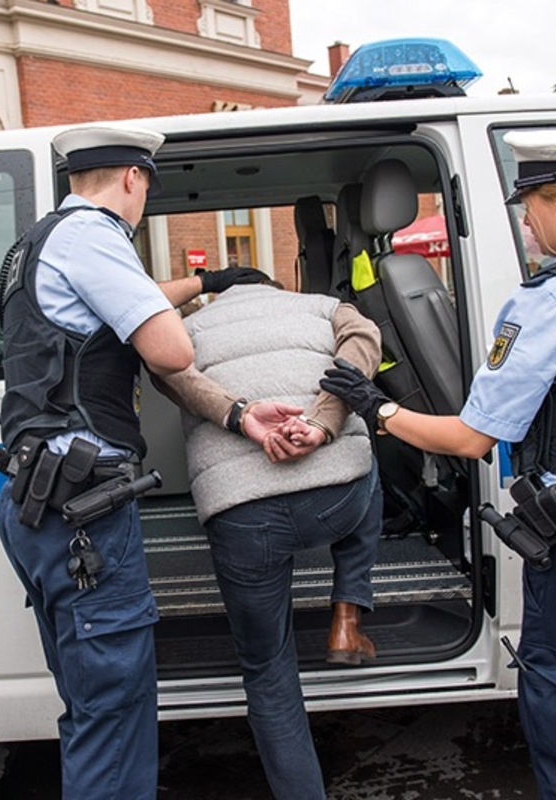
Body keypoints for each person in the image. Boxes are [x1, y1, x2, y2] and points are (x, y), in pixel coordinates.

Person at [304, 129, 556, 800]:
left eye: (529, 206)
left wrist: (376, 410)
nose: (524, 221)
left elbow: (469, 440)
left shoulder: (551, 302)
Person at [0, 124, 266, 800]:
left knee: (91, 710)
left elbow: (111, 310)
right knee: (114, 712)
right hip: (81, 509)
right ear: (133, 179)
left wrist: (206, 279)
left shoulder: (36, 243)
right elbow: (169, 350)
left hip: (39, 499)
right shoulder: (95, 237)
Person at [157, 281, 383, 800]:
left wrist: (237, 413)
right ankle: (348, 615)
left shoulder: (184, 329)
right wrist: (325, 423)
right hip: (335, 499)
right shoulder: (322, 307)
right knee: (369, 464)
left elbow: (171, 373)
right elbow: (364, 341)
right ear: (281, 290)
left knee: (268, 670)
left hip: (241, 514)